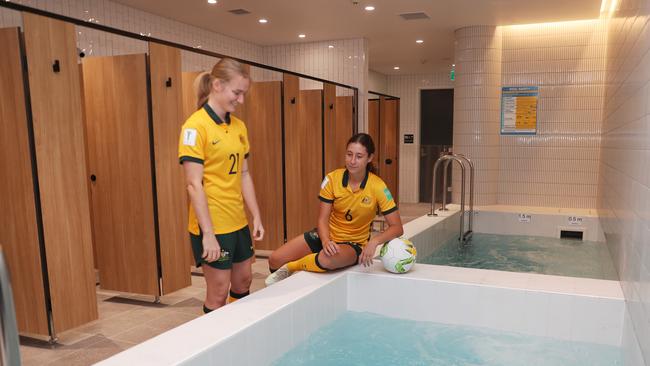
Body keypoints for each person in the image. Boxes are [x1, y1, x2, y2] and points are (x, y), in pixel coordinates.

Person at [178, 58, 264, 313]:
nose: (241, 100)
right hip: (212, 223)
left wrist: (256, 215)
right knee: (218, 290)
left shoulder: (239, 127)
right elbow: (194, 184)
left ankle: (238, 332)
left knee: (244, 279)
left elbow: (244, 174)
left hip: (237, 220)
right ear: (217, 85)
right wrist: (208, 234)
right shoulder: (195, 127)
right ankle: (217, 344)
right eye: (236, 92)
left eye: (244, 93)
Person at [265, 133, 403, 286]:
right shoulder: (332, 179)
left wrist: (374, 242)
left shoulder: (378, 186)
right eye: (349, 154)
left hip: (352, 244)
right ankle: (293, 285)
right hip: (326, 236)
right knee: (275, 259)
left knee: (326, 259)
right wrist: (325, 241)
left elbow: (397, 227)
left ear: (369, 158)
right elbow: (322, 219)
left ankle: (293, 266)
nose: (352, 161)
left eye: (359, 156)